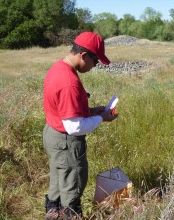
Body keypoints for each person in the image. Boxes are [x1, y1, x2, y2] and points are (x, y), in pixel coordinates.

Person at [43, 31, 118, 220]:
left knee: (59, 180)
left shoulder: (59, 67)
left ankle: (53, 213)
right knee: (72, 185)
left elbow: (66, 110)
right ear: (84, 55)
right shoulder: (70, 82)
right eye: (95, 61)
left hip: (53, 134)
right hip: (67, 142)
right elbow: (74, 127)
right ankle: (69, 214)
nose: (95, 66)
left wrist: (93, 111)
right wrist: (102, 119)